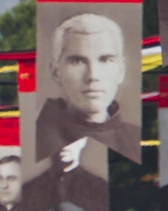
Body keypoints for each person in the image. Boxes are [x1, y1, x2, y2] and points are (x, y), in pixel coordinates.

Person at [35, 12, 138, 161]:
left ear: (121, 70)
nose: (92, 76)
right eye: (77, 61)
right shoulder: (32, 139)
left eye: (105, 60)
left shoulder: (136, 141)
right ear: (56, 72)